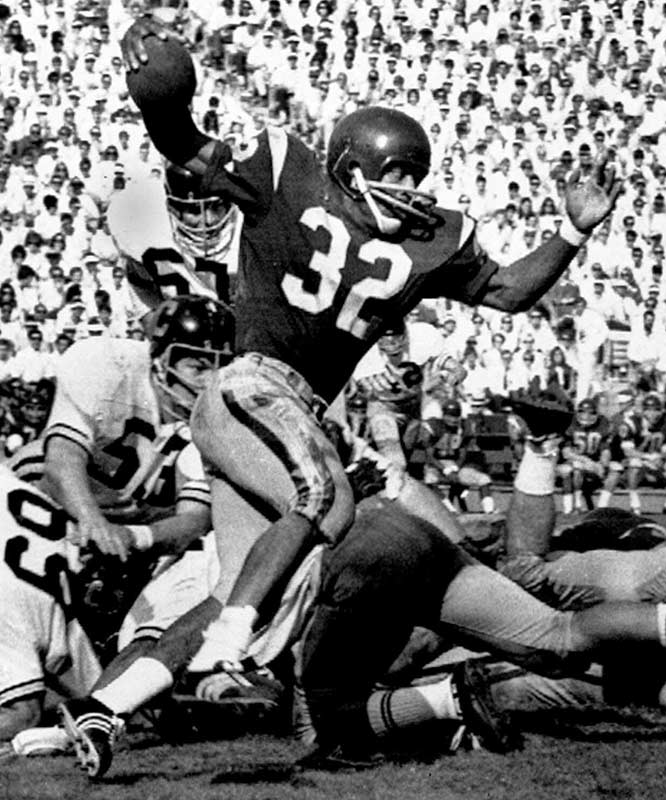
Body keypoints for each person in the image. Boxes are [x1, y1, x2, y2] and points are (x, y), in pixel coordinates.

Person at [117, 16, 622, 698]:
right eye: (398, 171)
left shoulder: (431, 239)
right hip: (255, 387)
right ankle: (232, 645)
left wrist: (569, 232)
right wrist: (161, 101)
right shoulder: (286, 173)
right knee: (321, 504)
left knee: (314, 548)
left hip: (305, 409)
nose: (412, 186)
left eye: (418, 173)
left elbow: (509, 290)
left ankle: (126, 703)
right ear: (351, 169)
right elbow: (192, 154)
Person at [106, 161, 240, 316]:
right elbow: (140, 281)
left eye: (216, 207)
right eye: (194, 210)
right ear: (173, 209)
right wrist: (156, 322)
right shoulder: (144, 223)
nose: (207, 220)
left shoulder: (252, 228)